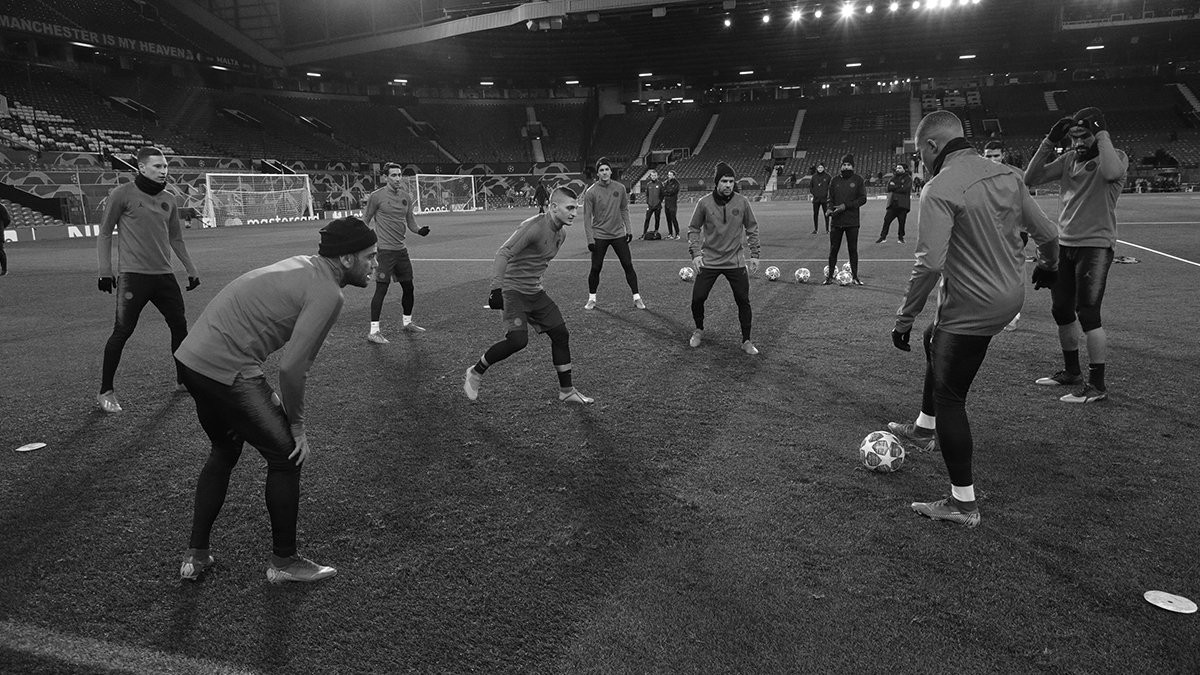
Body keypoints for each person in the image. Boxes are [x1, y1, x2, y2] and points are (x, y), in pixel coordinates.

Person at [175, 217, 377, 583]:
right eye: (370, 256)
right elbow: (293, 368)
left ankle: (196, 554)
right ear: (347, 259)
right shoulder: (328, 292)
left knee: (224, 449)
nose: (375, 264)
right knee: (287, 457)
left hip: (192, 360)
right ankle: (284, 562)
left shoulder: (306, 265)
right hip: (226, 366)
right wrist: (297, 426)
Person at [891, 111, 1059, 528]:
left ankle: (963, 504)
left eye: (920, 153)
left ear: (932, 146)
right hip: (1008, 298)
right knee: (933, 339)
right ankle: (923, 429)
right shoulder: (1009, 174)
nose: (920, 161)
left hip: (971, 306)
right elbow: (1049, 235)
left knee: (951, 396)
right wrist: (1049, 266)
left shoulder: (940, 187)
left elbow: (929, 265)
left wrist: (904, 318)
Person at [1023, 107, 1128, 403]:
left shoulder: (1116, 157)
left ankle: (1097, 386)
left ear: (1098, 133)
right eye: (1074, 136)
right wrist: (1049, 141)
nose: (1078, 142)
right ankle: (1072, 372)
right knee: (1061, 310)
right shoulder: (1069, 159)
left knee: (1088, 314)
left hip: (1095, 246)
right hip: (1065, 245)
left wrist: (1102, 133)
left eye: (1084, 135)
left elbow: (1111, 173)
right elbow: (1030, 178)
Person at [463, 188, 593, 404]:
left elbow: (536, 263)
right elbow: (503, 253)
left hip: (534, 292)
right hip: (513, 291)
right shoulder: (533, 227)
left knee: (560, 334)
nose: (574, 213)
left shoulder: (561, 234)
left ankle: (566, 391)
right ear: (554, 207)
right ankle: (475, 372)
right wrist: (496, 289)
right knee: (517, 341)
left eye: (576, 208)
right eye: (570, 208)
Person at [95, 146, 200, 414]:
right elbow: (105, 232)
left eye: (165, 166)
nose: (163, 171)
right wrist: (105, 271)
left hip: (164, 276)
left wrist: (191, 269)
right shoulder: (122, 194)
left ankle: (183, 380)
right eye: (157, 166)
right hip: (133, 277)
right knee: (122, 331)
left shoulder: (169, 199)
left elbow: (176, 238)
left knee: (180, 327)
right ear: (141, 167)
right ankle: (106, 391)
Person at [686, 162, 762, 355]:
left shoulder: (742, 202)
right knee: (698, 298)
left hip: (735, 261)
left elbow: (752, 227)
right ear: (716, 182)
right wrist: (695, 253)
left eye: (731, 181)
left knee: (743, 300)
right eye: (724, 181)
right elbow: (693, 228)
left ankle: (746, 340)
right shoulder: (704, 203)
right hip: (709, 260)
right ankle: (699, 329)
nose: (728, 185)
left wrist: (755, 254)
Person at [362, 162, 431, 344]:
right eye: (393, 175)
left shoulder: (406, 197)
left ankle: (407, 322)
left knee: (409, 287)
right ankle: (374, 331)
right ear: (385, 177)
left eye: (399, 175)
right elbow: (366, 220)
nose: (398, 178)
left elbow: (411, 222)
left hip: (401, 251)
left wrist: (420, 231)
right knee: (381, 289)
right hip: (384, 251)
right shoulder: (376, 197)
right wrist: (366, 243)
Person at [583, 157, 644, 310]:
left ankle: (637, 297)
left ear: (611, 171)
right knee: (596, 268)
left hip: (618, 234)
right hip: (599, 235)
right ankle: (592, 299)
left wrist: (629, 230)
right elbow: (586, 217)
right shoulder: (591, 192)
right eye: (601, 170)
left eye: (606, 169)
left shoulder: (620, 188)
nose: (604, 172)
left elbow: (624, 209)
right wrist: (590, 240)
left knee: (628, 265)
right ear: (597, 173)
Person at [983, 141, 1030, 332]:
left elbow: (1026, 205)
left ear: (1003, 155)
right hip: (989, 231)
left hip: (1015, 231)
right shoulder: (978, 175)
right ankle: (994, 305)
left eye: (996, 155)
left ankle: (1013, 314)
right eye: (988, 156)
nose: (993, 159)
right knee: (990, 270)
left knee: (1011, 272)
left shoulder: (1017, 174)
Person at [824, 154, 867, 285]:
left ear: (852, 166)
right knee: (833, 249)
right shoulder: (834, 180)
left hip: (852, 221)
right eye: (844, 165)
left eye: (848, 165)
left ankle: (855, 277)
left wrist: (845, 206)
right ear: (841, 166)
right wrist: (829, 208)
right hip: (836, 221)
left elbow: (863, 199)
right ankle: (829, 277)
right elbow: (830, 198)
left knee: (852, 249)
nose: (846, 167)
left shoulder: (858, 180)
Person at [876, 163, 912, 244]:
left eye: (900, 168)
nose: (897, 169)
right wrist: (900, 186)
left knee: (902, 222)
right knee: (886, 220)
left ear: (904, 169)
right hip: (892, 204)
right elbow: (889, 188)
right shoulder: (892, 178)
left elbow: (905, 189)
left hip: (903, 204)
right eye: (897, 168)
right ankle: (883, 237)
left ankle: (901, 237)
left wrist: (895, 187)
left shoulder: (908, 179)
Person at [640, 169, 663, 239]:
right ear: (650, 176)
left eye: (655, 175)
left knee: (657, 219)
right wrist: (648, 202)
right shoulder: (648, 184)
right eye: (652, 176)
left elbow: (662, 194)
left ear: (657, 176)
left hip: (657, 205)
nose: (653, 177)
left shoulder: (660, 184)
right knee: (647, 219)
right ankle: (644, 233)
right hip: (650, 205)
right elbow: (647, 194)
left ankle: (656, 231)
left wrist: (659, 202)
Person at [808, 163, 831, 234]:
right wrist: (814, 193)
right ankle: (816, 229)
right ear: (817, 169)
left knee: (826, 214)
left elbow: (831, 187)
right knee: (815, 214)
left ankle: (827, 229)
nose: (820, 169)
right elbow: (811, 186)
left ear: (824, 168)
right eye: (819, 168)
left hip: (825, 199)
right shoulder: (814, 177)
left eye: (821, 167)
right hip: (816, 199)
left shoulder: (828, 176)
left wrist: (828, 195)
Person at [662, 169, 681, 240]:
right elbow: (663, 191)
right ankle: (670, 234)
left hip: (673, 203)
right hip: (667, 203)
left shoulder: (676, 183)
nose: (669, 176)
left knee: (673, 218)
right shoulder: (666, 182)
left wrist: (666, 192)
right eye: (668, 175)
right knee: (668, 219)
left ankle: (677, 234)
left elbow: (673, 192)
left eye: (670, 175)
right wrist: (667, 192)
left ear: (674, 176)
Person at [0, 201, 9, 276]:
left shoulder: (1, 207)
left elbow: (7, 220)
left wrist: (2, 227)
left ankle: (4, 269)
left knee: (0, 251)